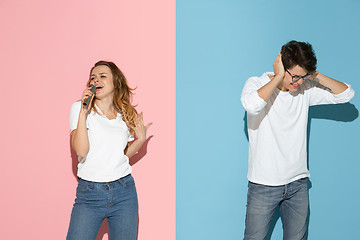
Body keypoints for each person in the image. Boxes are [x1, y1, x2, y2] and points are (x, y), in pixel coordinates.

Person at [241, 41, 355, 240]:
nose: (298, 82)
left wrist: (314, 75)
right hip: (263, 185)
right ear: (281, 67)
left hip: (298, 185)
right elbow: (251, 105)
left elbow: (346, 94)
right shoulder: (257, 84)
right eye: (294, 76)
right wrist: (277, 77)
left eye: (303, 77)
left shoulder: (305, 89)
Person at [66, 61, 151, 240]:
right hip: (90, 193)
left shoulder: (123, 115)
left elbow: (120, 155)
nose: (96, 80)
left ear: (115, 83)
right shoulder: (79, 109)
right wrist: (83, 112)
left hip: (124, 191)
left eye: (103, 76)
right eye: (93, 77)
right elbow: (81, 151)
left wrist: (140, 140)